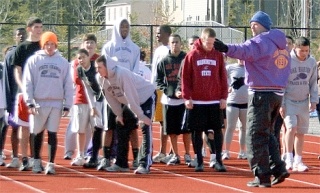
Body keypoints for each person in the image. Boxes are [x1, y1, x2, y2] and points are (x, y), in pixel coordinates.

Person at [214, 11, 290, 187]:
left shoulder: (260, 41)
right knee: (268, 133)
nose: (251, 28)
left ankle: (261, 175)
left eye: (252, 24)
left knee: (255, 134)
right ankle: (277, 167)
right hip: (277, 93)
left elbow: (245, 51)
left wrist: (226, 48)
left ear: (256, 25)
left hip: (261, 93)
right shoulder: (281, 45)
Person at [22, 31, 73, 174]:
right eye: (47, 44)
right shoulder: (34, 60)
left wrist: (68, 103)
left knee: (52, 133)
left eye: (52, 44)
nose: (50, 47)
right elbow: (28, 82)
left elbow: (68, 84)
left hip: (56, 103)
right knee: (36, 132)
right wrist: (30, 102)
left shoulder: (62, 62)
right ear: (42, 44)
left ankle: (51, 163)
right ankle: (36, 161)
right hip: (38, 102)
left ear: (56, 45)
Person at [95, 55, 156, 174]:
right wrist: (119, 114)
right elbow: (110, 98)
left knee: (145, 127)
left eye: (100, 67)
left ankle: (144, 163)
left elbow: (131, 95)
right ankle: (121, 163)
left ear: (108, 67)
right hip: (129, 102)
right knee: (121, 126)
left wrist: (141, 116)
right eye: (96, 68)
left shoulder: (122, 74)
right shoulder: (100, 78)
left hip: (145, 97)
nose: (97, 70)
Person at [181, 28, 228, 172]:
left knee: (217, 131)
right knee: (197, 131)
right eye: (208, 43)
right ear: (202, 39)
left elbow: (223, 77)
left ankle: (218, 160)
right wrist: (187, 97)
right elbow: (185, 78)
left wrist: (223, 97)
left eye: (212, 43)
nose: (210, 46)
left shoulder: (218, 55)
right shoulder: (191, 56)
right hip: (197, 101)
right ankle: (199, 160)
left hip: (214, 101)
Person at [99, 17, 140, 170]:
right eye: (122, 27)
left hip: (128, 91)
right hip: (112, 90)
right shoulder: (108, 47)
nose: (124, 30)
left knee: (132, 127)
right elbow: (104, 67)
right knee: (109, 126)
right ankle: (106, 158)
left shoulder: (135, 48)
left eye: (126, 27)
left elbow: (135, 69)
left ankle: (136, 158)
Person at [282, 37, 318, 172]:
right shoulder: (287, 61)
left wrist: (313, 100)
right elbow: (282, 83)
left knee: (301, 132)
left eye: (306, 50)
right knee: (291, 128)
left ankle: (298, 160)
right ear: (295, 48)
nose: (304, 53)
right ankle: (288, 158)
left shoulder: (312, 62)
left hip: (303, 101)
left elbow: (313, 82)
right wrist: (282, 103)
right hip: (289, 100)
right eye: (301, 50)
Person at [13, 17, 43, 171]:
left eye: (41, 27)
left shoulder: (44, 46)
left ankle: (36, 157)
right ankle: (24, 158)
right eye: (36, 27)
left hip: (41, 93)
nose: (39, 29)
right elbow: (17, 71)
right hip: (24, 93)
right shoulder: (22, 48)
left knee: (38, 128)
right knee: (24, 127)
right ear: (29, 28)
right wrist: (23, 87)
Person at [64, 34, 100, 161]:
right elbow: (76, 80)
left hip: (97, 100)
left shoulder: (99, 60)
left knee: (96, 128)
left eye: (92, 42)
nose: (89, 45)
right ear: (83, 45)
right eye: (87, 42)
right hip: (80, 99)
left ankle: (92, 152)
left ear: (96, 45)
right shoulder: (76, 63)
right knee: (78, 128)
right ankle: (72, 151)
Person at [156, 34, 186, 165]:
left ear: (181, 43)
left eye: (177, 42)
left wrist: (185, 91)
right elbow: (158, 80)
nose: (175, 44)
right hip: (169, 100)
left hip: (184, 100)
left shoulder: (186, 58)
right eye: (172, 42)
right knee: (171, 130)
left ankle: (188, 154)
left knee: (186, 129)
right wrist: (168, 90)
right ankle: (176, 154)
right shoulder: (163, 61)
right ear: (169, 43)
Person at [0, 28, 27, 168]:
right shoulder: (10, 55)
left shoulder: (33, 53)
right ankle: (16, 157)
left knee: (33, 130)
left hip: (32, 97)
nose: (21, 36)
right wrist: (7, 101)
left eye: (23, 33)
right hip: (16, 98)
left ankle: (32, 158)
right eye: (18, 34)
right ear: (15, 37)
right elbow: (7, 80)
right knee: (16, 128)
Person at [74, 48, 105, 168]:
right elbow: (87, 88)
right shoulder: (80, 70)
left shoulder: (95, 68)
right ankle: (93, 155)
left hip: (106, 98)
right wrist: (93, 106)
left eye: (83, 57)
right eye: (79, 58)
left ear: (89, 57)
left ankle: (106, 155)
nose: (81, 60)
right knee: (97, 127)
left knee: (102, 127)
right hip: (96, 99)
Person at [151, 25, 173, 164]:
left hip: (166, 89)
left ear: (166, 34)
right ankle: (163, 151)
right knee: (161, 122)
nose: (157, 35)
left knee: (168, 122)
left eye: (159, 33)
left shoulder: (170, 50)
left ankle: (169, 151)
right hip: (156, 89)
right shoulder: (158, 49)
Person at [222, 59, 248, 160]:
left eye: (243, 57)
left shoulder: (249, 67)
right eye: (240, 58)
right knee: (230, 127)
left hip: (246, 102)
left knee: (244, 128)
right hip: (232, 102)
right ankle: (226, 151)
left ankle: (242, 151)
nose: (242, 60)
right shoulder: (230, 68)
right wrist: (227, 87)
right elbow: (221, 78)